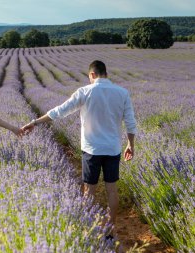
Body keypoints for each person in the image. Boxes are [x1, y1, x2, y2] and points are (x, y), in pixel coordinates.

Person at [21, 60, 137, 238]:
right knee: (111, 190)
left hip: (91, 149)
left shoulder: (85, 92)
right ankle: (111, 228)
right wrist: (131, 144)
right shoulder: (122, 93)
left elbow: (60, 111)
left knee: (89, 190)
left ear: (92, 74)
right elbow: (130, 122)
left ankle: (88, 227)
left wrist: (36, 122)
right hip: (113, 149)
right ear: (106, 73)